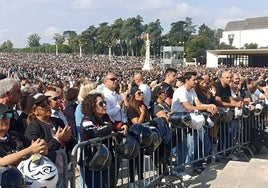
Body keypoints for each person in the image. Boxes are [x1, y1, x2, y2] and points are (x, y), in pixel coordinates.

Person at [171, 71, 217, 179]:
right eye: (194, 80)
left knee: (191, 146)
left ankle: (184, 167)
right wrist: (207, 107)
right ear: (186, 80)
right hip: (178, 123)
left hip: (187, 121)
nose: (196, 82)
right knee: (183, 147)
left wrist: (209, 105)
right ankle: (179, 170)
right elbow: (189, 107)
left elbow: (198, 104)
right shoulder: (180, 91)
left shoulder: (192, 91)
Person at [24, 93, 73, 188]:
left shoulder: (57, 121)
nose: (47, 107)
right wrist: (57, 139)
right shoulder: (33, 127)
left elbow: (71, 140)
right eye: (43, 105)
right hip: (46, 174)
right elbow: (36, 151)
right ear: (35, 111)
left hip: (63, 168)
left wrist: (69, 138)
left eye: (48, 103)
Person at [79, 92, 124, 188]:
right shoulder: (87, 119)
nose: (104, 105)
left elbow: (115, 126)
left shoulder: (105, 117)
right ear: (92, 106)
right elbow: (92, 132)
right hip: (91, 161)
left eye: (104, 103)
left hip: (103, 159)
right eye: (101, 104)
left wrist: (124, 126)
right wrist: (108, 127)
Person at [126, 86, 150, 186]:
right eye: (139, 93)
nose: (142, 95)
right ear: (133, 96)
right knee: (133, 160)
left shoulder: (142, 105)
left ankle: (141, 178)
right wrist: (143, 113)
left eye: (142, 93)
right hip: (134, 137)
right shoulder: (131, 109)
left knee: (140, 160)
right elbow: (136, 123)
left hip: (141, 138)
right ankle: (132, 181)